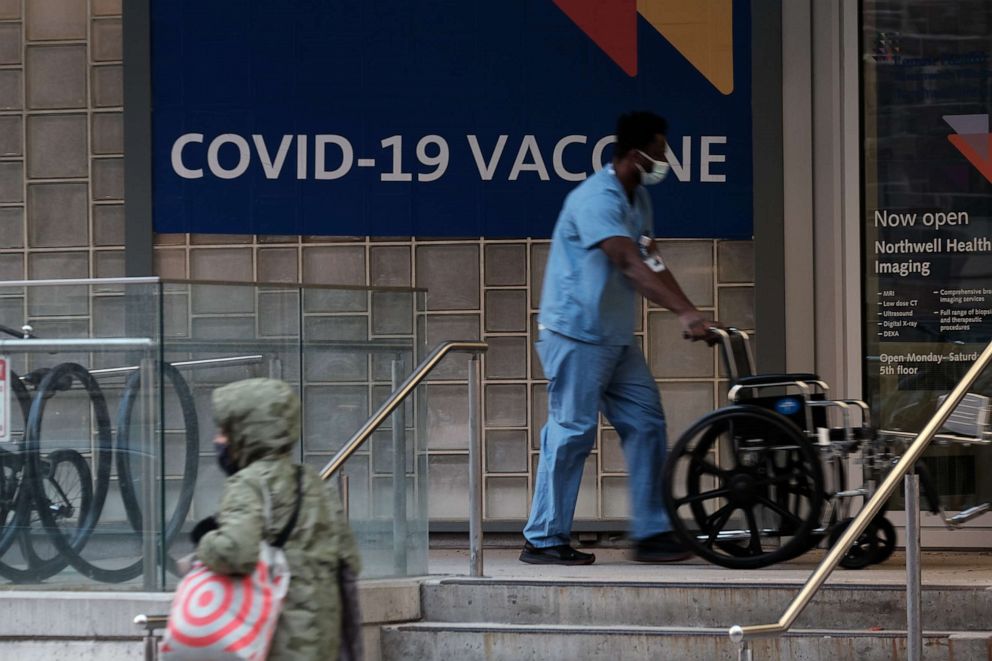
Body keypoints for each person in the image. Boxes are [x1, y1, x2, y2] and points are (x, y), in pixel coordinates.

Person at [520, 111, 719, 566]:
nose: (665, 161)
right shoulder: (596, 198)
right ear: (636, 155)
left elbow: (650, 259)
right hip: (574, 333)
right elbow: (627, 262)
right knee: (571, 431)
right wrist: (683, 313)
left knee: (647, 423)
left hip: (613, 337)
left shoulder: (638, 199)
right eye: (661, 153)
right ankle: (544, 537)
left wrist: (692, 312)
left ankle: (650, 531)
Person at [191, 378, 362, 660]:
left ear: (246, 432)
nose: (217, 440)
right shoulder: (312, 481)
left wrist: (205, 540)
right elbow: (348, 561)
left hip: (276, 640)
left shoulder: (248, 484)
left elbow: (236, 552)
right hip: (322, 640)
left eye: (224, 431)